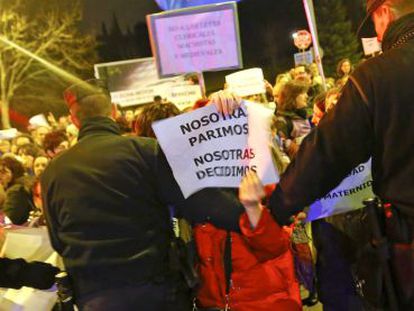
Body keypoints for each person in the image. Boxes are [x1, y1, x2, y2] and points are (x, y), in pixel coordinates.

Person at [217, 0, 414, 308]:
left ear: (384, 13)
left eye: (374, 24)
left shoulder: (378, 76)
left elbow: (326, 154)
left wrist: (272, 212)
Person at [41, 79, 243, 311]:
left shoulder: (53, 172)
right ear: (114, 110)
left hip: (96, 297)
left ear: (74, 119)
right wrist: (253, 216)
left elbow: (58, 241)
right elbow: (199, 203)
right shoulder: (146, 152)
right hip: (157, 291)